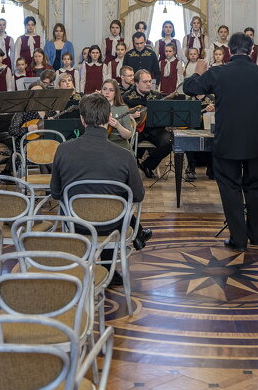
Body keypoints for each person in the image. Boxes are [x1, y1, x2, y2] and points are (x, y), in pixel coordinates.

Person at [183, 32, 258, 250]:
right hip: (255, 142)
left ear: (229, 50)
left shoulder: (218, 72)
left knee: (230, 188)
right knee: (255, 186)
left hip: (227, 141)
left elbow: (190, 89)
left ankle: (238, 239)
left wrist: (197, 72)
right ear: (251, 51)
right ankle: (257, 234)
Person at [49, 94, 148, 265]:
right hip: (112, 226)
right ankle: (108, 270)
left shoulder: (63, 149)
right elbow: (138, 195)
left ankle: (85, 267)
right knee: (115, 206)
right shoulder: (125, 156)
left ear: (82, 119)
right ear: (109, 118)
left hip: (76, 223)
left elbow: (56, 193)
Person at [124, 70, 172, 179]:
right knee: (126, 141)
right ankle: (130, 169)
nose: (149, 84)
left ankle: (147, 165)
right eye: (145, 82)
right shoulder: (126, 97)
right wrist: (130, 116)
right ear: (136, 83)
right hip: (136, 130)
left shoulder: (157, 96)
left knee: (169, 142)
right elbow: (121, 114)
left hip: (155, 130)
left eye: (150, 81)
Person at [100, 79, 137, 153]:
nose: (107, 92)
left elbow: (128, 136)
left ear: (116, 93)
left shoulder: (123, 108)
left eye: (111, 90)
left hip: (120, 146)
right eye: (104, 89)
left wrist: (117, 126)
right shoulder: (95, 108)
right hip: (100, 145)